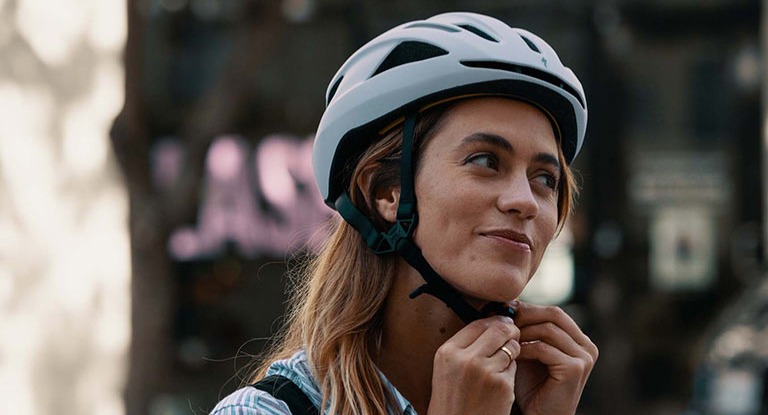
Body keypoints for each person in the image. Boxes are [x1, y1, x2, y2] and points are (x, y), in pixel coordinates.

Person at [211, 11, 598, 415]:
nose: (526, 200)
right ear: (384, 192)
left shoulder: (537, 394)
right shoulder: (266, 409)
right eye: (486, 160)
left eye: (546, 179)